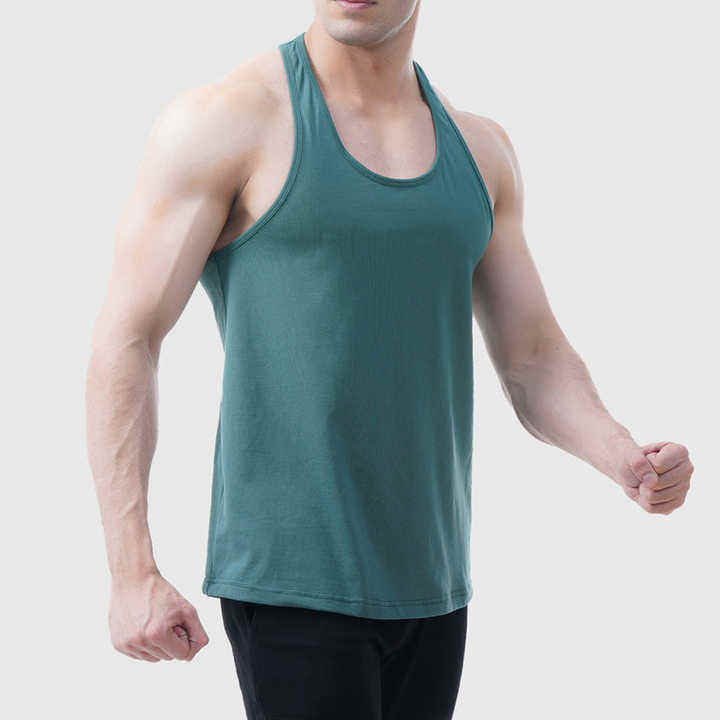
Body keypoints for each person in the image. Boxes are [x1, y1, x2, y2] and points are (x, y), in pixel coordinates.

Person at [85, 1, 694, 718]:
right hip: (292, 585)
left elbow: (532, 356)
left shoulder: (482, 151)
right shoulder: (226, 122)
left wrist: (623, 457)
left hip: (434, 583)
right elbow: (126, 339)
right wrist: (131, 571)